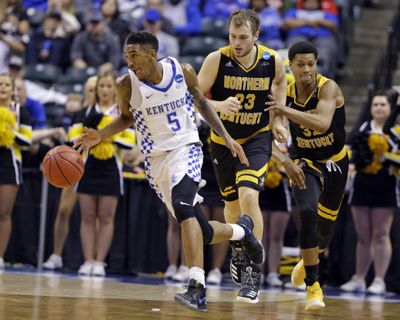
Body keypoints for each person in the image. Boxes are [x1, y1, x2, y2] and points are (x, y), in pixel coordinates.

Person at [73, 31, 264, 312]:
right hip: (156, 161)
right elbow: (126, 117)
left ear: (153, 54)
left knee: (183, 205)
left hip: (186, 148)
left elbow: (202, 103)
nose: (130, 61)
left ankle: (197, 287)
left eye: (134, 55)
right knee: (202, 230)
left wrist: (226, 136)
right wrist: (100, 135)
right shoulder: (126, 84)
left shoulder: (182, 70)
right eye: (126, 56)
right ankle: (242, 231)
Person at [196, 9, 288, 302]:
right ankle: (238, 246)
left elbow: (280, 86)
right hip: (223, 140)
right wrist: (219, 106)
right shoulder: (216, 59)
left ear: (256, 36)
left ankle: (253, 272)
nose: (237, 42)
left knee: (250, 196)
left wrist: (277, 121)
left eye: (243, 37)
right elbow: (195, 97)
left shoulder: (272, 60)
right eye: (233, 36)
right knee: (232, 207)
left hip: (256, 139)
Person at [266, 41, 348, 310]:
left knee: (324, 232)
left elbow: (323, 123)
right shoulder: (284, 91)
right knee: (307, 212)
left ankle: (308, 259)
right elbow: (269, 127)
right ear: (291, 66)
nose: (306, 69)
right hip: (304, 160)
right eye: (300, 64)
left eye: (311, 64)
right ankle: (314, 286)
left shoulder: (329, 87)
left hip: (334, 160)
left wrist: (284, 111)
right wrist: (279, 131)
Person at [71, 72, 136, 277]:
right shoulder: (86, 111)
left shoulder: (122, 113)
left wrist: (104, 138)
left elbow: (129, 140)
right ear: (96, 89)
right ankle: (88, 260)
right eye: (102, 86)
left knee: (106, 217)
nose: (106, 90)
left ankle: (100, 262)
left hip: (111, 169)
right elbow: (72, 137)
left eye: (109, 86)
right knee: (88, 216)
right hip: (88, 169)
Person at [341, 90, 398, 295]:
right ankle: (359, 278)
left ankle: (380, 280)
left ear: (391, 108)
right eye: (375, 105)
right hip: (362, 186)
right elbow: (349, 152)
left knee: (381, 234)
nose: (379, 108)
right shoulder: (362, 130)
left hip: (385, 186)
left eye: (383, 104)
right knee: (363, 235)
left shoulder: (395, 133)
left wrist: (388, 158)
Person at [43, 77, 97, 270]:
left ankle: (93, 260)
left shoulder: (109, 113)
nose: (92, 93)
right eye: (89, 89)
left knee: (93, 216)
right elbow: (70, 140)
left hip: (98, 168)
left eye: (94, 89)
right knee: (63, 210)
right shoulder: (80, 114)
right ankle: (56, 254)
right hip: (75, 166)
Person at [0, 72, 32, 269]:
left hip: (9, 164)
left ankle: (0, 256)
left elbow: (27, 141)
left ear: (12, 90)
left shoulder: (20, 111)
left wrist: (9, 129)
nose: (2, 87)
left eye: (6, 85)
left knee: (4, 213)